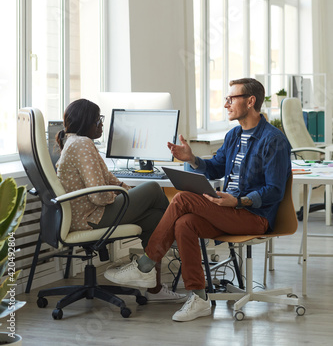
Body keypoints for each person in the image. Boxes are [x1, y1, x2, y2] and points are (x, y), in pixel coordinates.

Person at [104, 78, 292, 322]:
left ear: (250, 101)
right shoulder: (234, 135)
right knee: (185, 224)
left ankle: (146, 265)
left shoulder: (273, 140)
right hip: (230, 211)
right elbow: (214, 168)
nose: (226, 104)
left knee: (182, 199)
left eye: (231, 98)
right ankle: (199, 297)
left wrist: (237, 201)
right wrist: (192, 159)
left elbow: (274, 191)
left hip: (254, 217)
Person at [56, 98, 186, 303]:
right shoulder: (82, 144)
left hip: (86, 216)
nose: (101, 124)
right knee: (153, 188)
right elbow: (99, 196)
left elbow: (109, 180)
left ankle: (153, 286)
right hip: (91, 218)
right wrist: (121, 195)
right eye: (98, 119)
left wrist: (126, 191)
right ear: (86, 121)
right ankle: (179, 238)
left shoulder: (74, 141)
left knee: (155, 218)